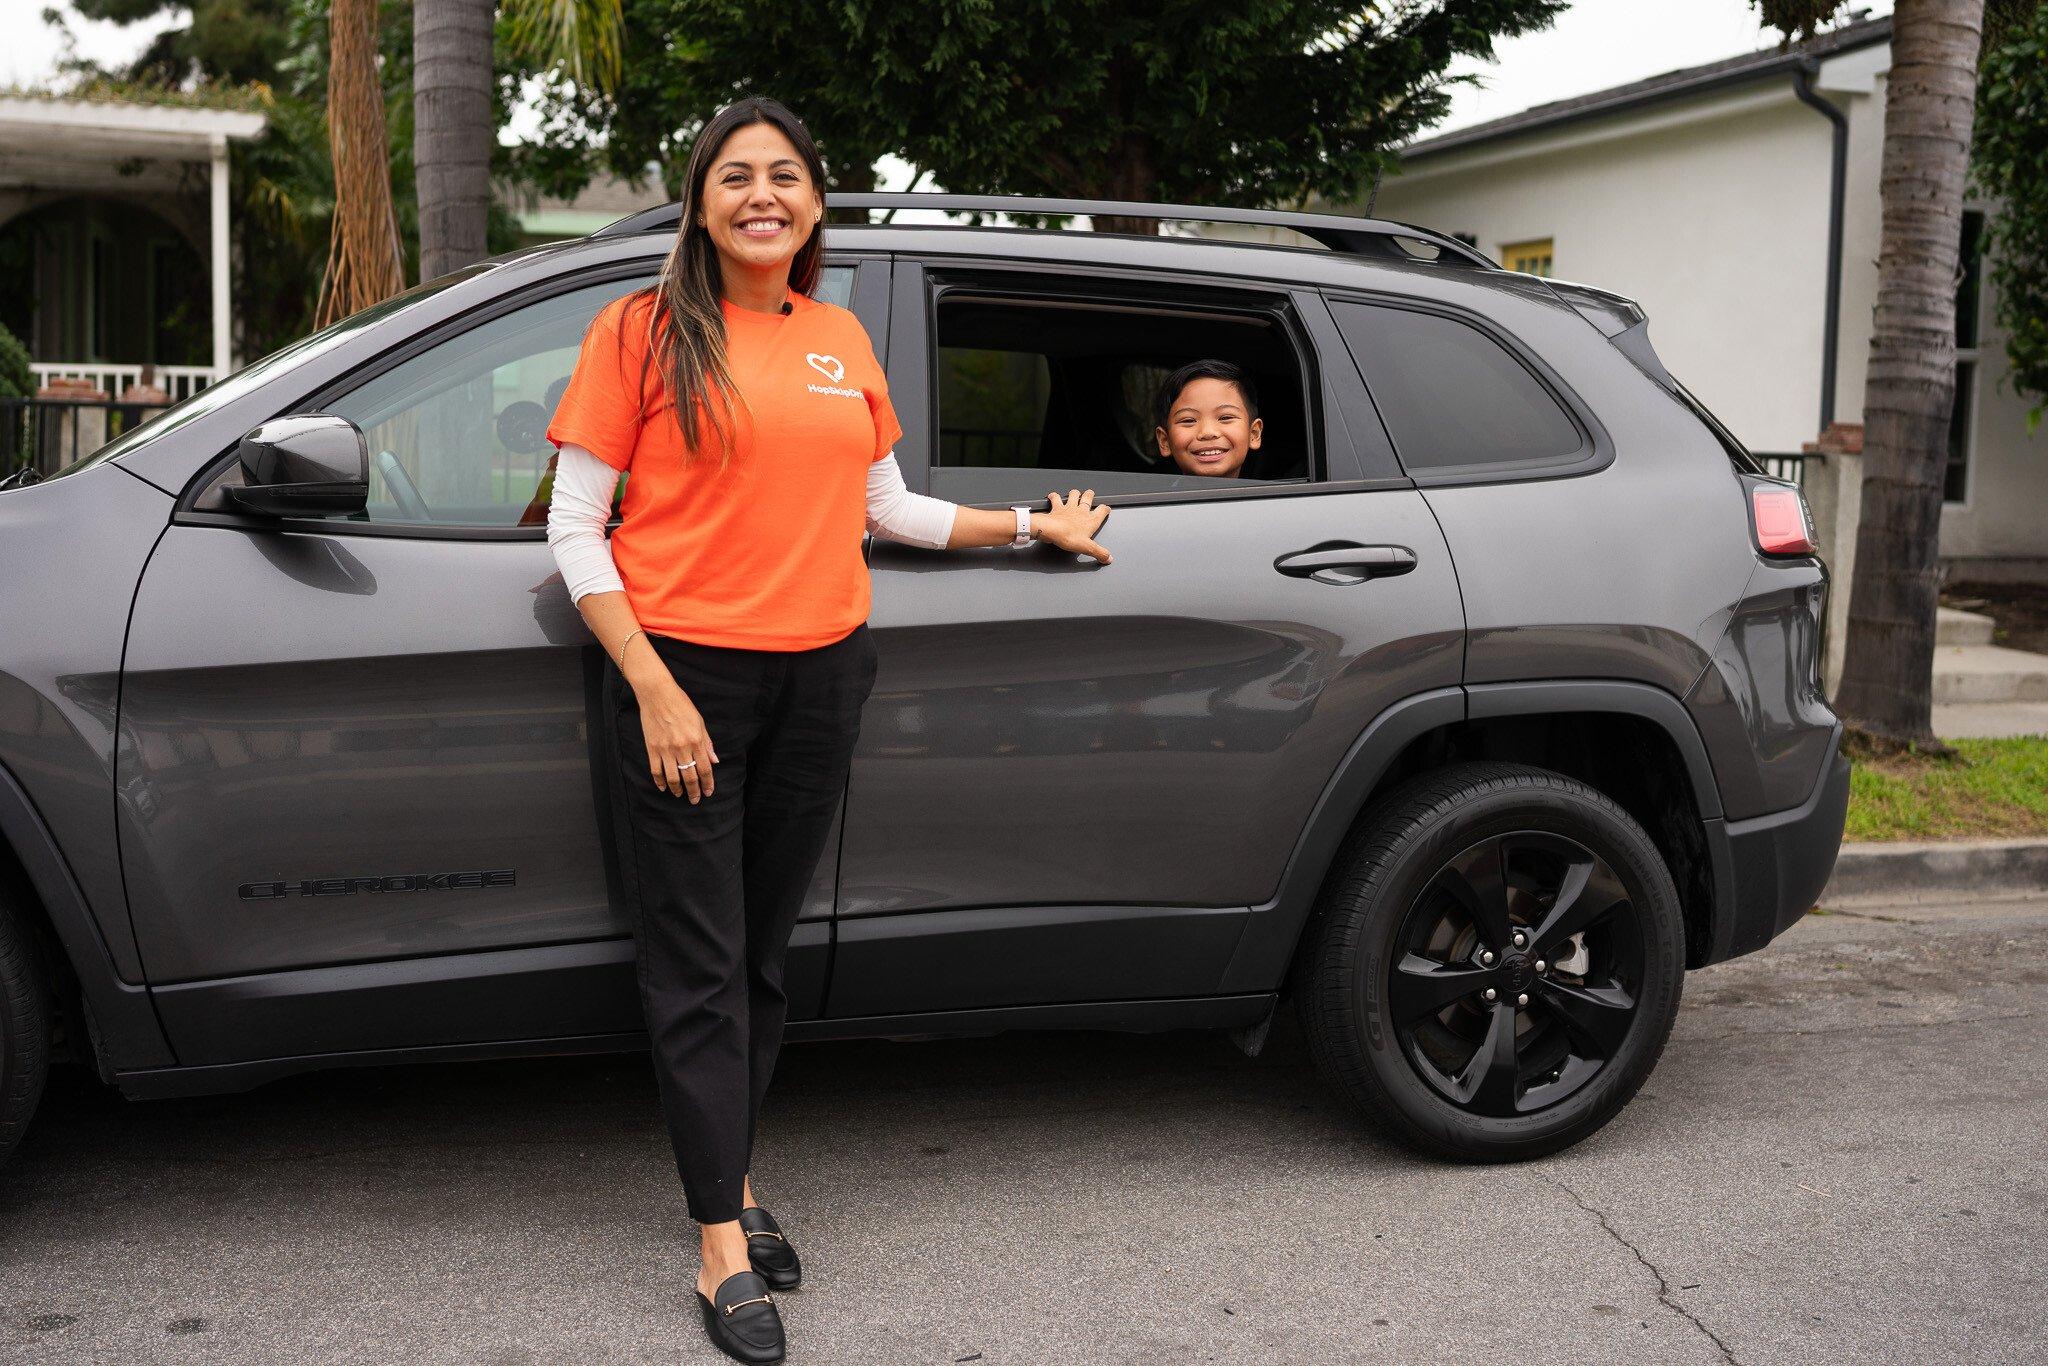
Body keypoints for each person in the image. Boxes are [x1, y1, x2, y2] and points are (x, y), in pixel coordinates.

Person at [542, 96, 1113, 1364]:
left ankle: (734, 1175)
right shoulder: (639, 330)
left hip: (820, 678)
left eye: (784, 177)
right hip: (683, 679)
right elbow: (576, 526)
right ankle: (718, 1241)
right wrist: (651, 682)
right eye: (734, 175)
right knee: (696, 965)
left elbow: (887, 508)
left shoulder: (837, 333)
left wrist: (1030, 526)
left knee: (757, 957)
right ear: (700, 204)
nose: (762, 194)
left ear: (813, 203)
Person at [1152, 358, 1264, 478]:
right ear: (1165, 441)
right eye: (1189, 420)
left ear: (1254, 433)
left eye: (1225, 418)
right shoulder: (1152, 491)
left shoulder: (1271, 491)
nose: (1207, 432)